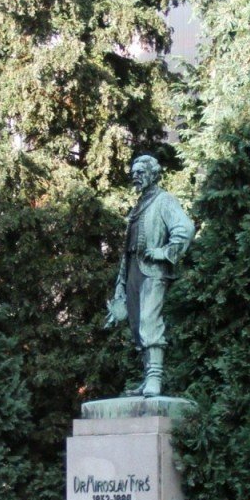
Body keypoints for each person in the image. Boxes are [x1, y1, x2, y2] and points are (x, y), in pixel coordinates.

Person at [103, 153, 195, 398]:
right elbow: (127, 249)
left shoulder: (164, 200)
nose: (135, 176)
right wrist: (120, 286)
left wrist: (164, 252)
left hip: (154, 272)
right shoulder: (138, 206)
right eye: (133, 172)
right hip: (134, 270)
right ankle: (147, 378)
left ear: (153, 174)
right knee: (136, 326)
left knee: (149, 322)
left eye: (140, 172)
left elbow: (185, 229)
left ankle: (155, 377)